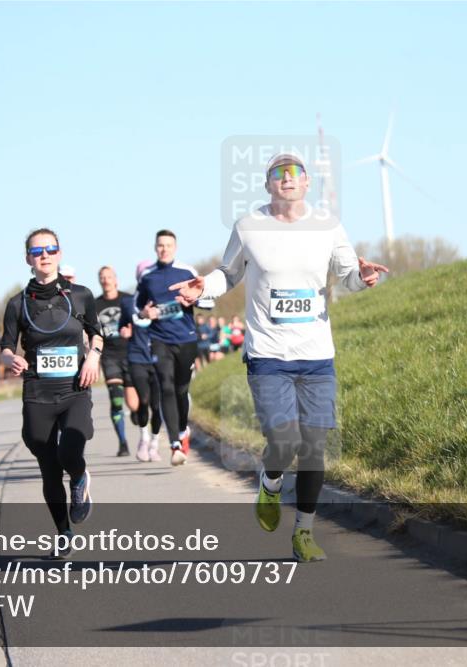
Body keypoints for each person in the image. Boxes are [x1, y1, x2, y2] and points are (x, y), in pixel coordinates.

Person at [169, 153, 388, 562]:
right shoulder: (249, 227)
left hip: (317, 355)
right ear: (268, 185)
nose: (286, 178)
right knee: (284, 441)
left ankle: (303, 533)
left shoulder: (328, 226)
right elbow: (228, 273)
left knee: (315, 447)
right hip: (269, 353)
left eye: (295, 173)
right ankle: (269, 484)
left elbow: (347, 273)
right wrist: (205, 288)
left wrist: (363, 277)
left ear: (307, 183)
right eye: (277, 173)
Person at [0, 228, 103, 559]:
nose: (44, 254)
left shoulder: (81, 295)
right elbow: (5, 346)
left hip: (75, 389)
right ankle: (63, 533)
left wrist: (93, 357)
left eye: (50, 249)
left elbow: (97, 334)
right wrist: (10, 358)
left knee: (69, 454)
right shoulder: (17, 305)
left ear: (59, 254)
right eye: (37, 250)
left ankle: (79, 477)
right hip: (37, 392)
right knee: (47, 466)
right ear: (28, 258)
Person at [135, 229, 209, 466]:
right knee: (165, 386)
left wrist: (192, 299)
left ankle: (183, 429)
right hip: (160, 340)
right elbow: (138, 308)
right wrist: (146, 313)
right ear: (155, 248)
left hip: (186, 339)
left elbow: (209, 300)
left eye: (168, 245)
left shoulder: (187, 272)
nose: (164, 249)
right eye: (160, 245)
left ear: (175, 247)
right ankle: (175, 443)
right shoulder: (147, 276)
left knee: (180, 390)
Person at [122, 260, 164, 461]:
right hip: (136, 357)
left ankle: (155, 443)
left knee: (156, 405)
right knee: (143, 400)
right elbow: (122, 325)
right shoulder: (128, 303)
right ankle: (144, 438)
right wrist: (124, 330)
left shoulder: (162, 301)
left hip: (158, 358)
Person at [95, 266, 133, 457]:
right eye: (102, 277)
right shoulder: (95, 305)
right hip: (110, 357)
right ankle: (123, 442)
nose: (106, 280)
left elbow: (139, 322)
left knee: (135, 404)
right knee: (116, 400)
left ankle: (137, 414)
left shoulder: (127, 299)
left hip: (131, 354)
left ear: (115, 279)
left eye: (109, 276)